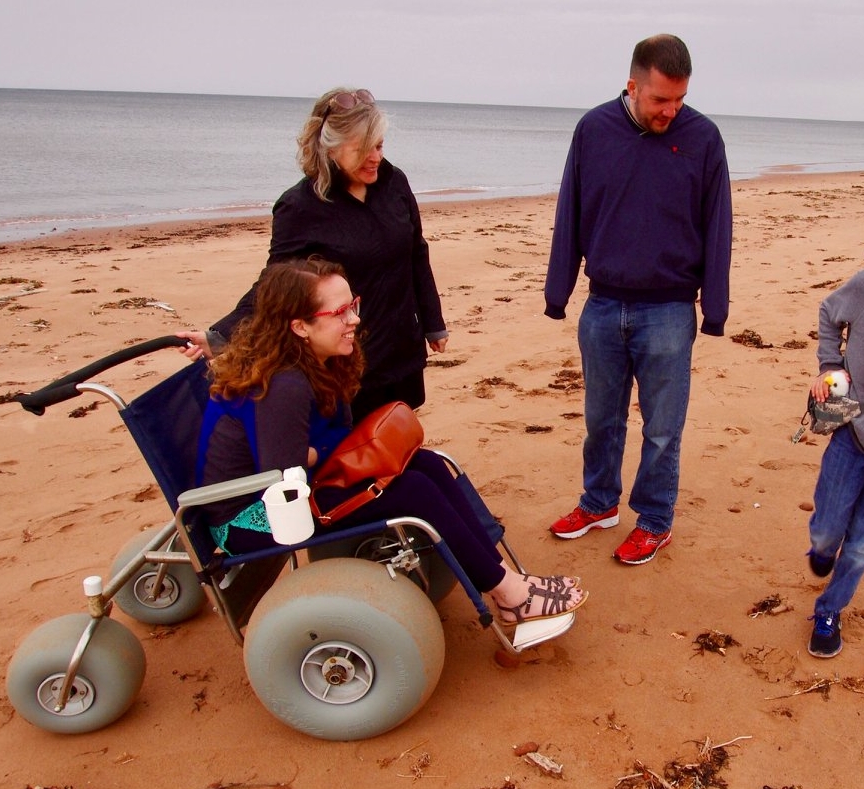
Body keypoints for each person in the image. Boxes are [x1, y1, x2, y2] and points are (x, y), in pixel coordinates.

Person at [196, 256, 587, 625]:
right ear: (300, 327)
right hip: (253, 517)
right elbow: (284, 472)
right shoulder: (285, 383)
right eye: (339, 313)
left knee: (428, 464)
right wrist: (322, 451)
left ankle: (505, 578)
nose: (354, 319)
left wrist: (325, 450)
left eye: (353, 306)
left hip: (296, 485)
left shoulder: (319, 359)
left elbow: (325, 440)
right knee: (413, 489)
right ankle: (510, 596)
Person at [543, 34, 732, 565]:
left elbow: (718, 225)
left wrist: (714, 308)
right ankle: (599, 503)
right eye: (660, 99)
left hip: (669, 309)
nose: (671, 111)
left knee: (663, 429)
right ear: (632, 86)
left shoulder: (703, 138)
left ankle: (653, 519)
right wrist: (558, 292)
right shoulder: (594, 130)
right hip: (603, 305)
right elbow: (569, 212)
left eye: (680, 99)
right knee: (601, 420)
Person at [179, 87, 448, 422]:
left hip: (402, 346)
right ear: (331, 149)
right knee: (352, 444)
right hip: (348, 357)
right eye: (362, 149)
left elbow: (416, 252)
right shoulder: (300, 207)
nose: (375, 158)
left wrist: (433, 324)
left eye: (379, 146)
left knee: (399, 433)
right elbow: (275, 286)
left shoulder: (394, 183)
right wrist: (220, 336)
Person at [803, 271, 864, 658]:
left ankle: (828, 611)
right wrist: (830, 365)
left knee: (859, 549)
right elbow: (829, 311)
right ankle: (823, 550)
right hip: (852, 431)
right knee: (827, 532)